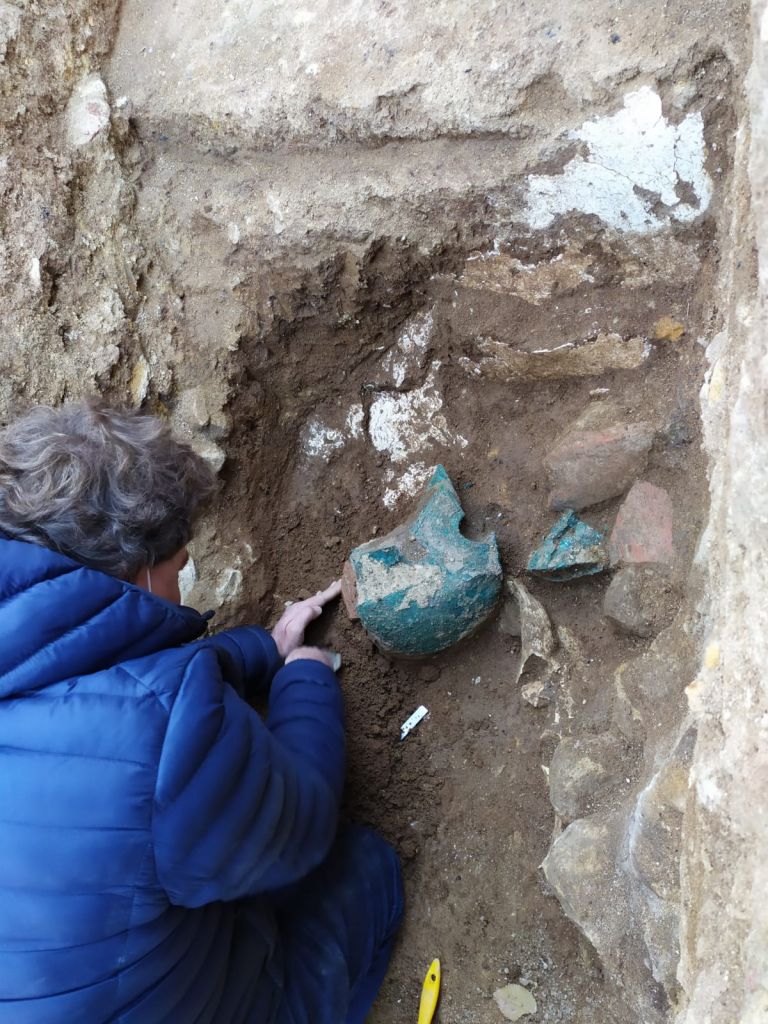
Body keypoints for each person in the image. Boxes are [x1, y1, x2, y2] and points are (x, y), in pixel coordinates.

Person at [0, 401, 403, 1023]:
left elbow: (80, 669)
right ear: (138, 576)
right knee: (366, 868)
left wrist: (260, 650)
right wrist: (304, 682)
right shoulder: (155, 741)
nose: (183, 576)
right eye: (179, 565)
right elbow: (303, 822)